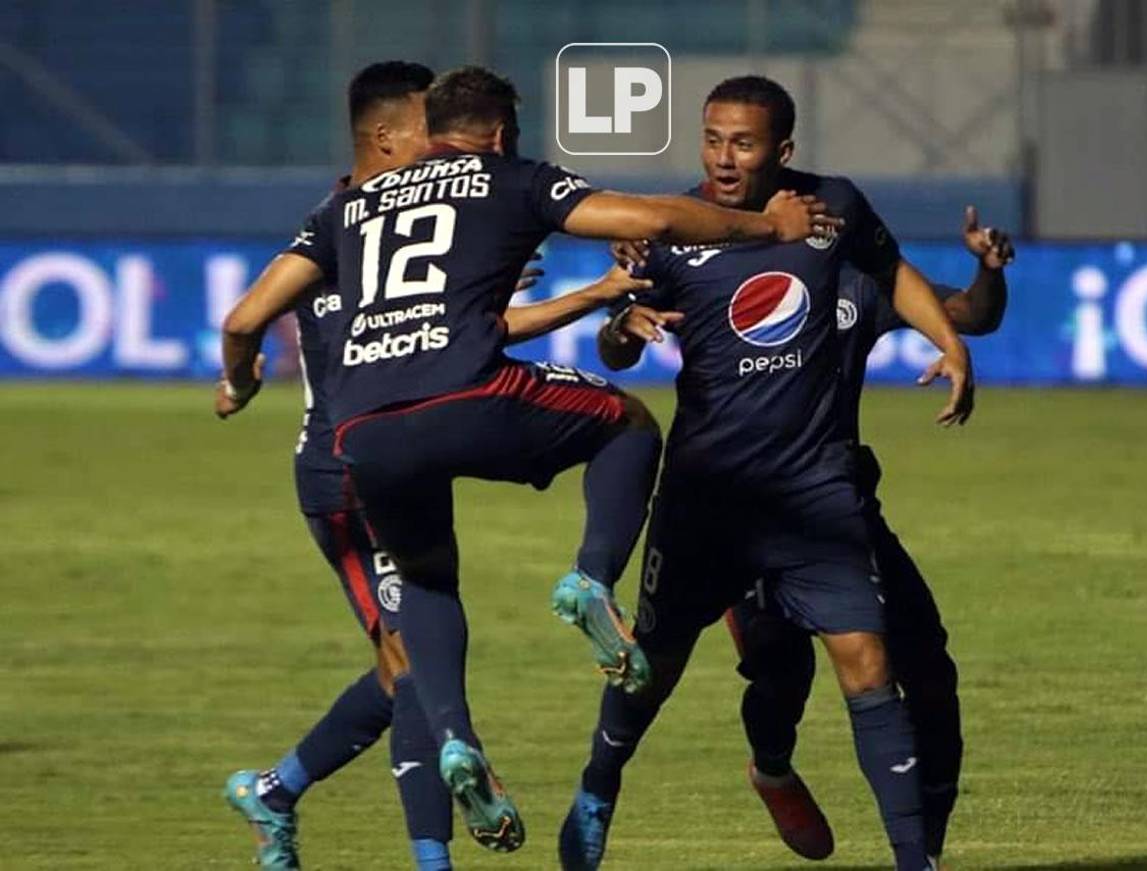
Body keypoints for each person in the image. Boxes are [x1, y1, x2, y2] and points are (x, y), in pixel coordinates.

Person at [214, 65, 834, 854]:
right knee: (627, 422)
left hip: (363, 434)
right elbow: (653, 215)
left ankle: (454, 742)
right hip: (463, 398)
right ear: (502, 134)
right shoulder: (509, 177)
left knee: (428, 586)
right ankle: (590, 576)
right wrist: (766, 230)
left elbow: (243, 318)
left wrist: (239, 381)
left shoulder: (345, 209)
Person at [219, 61, 654, 870]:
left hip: (380, 438)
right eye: (430, 128)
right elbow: (248, 319)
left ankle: (280, 790)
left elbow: (457, 339)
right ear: (388, 138)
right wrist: (239, 376)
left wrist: (581, 295)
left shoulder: (383, 220)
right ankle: (406, 843)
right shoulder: (347, 224)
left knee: (409, 654)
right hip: (341, 470)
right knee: (413, 656)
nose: (451, 149)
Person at [561, 75, 974, 871]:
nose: (723, 156)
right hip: (706, 498)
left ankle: (916, 861)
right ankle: (597, 788)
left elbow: (892, 276)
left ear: (781, 151)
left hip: (813, 491)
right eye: (713, 138)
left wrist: (950, 345)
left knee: (867, 660)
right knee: (654, 667)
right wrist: (625, 325)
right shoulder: (674, 233)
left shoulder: (836, 210)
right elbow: (615, 341)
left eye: (742, 142)